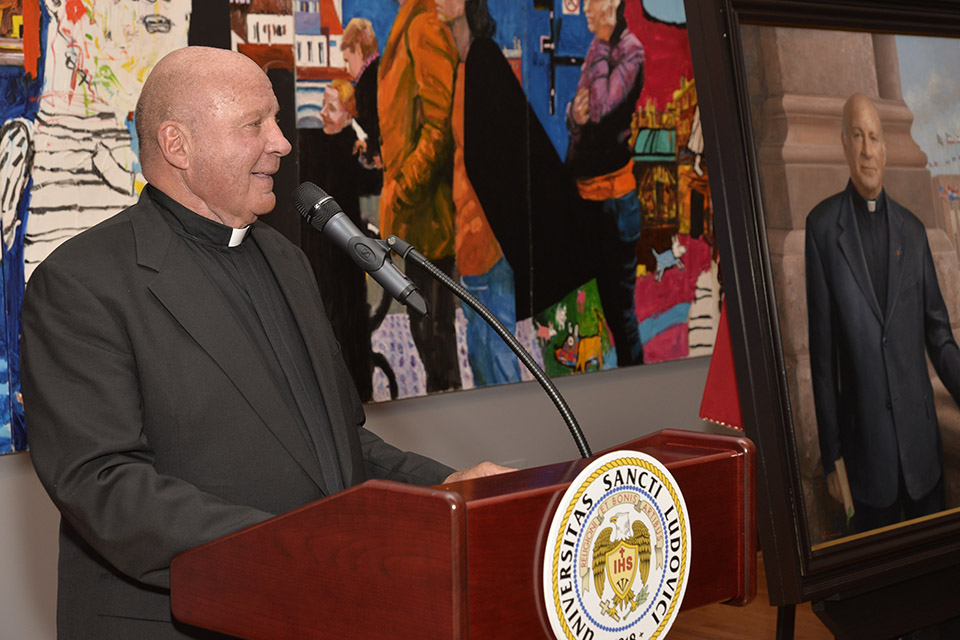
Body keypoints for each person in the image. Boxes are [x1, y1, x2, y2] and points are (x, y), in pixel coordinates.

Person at [21, 46, 508, 639]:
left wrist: (444, 488)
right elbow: (107, 487)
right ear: (178, 147)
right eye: (255, 124)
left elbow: (341, 444)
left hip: (316, 611)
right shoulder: (81, 284)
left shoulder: (285, 259)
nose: (281, 142)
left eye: (275, 121)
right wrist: (296, 550)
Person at [806, 93, 960, 533]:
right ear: (843, 144)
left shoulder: (913, 232)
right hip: (865, 462)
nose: (867, 150)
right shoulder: (820, 229)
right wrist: (833, 456)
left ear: (886, 150)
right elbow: (822, 360)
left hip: (923, 454)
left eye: (874, 137)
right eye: (857, 136)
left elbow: (940, 338)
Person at [435, 0, 521, 386]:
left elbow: (501, 156)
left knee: (498, 356)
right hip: (469, 230)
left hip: (490, 233)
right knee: (481, 352)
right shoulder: (461, 65)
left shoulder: (485, 63)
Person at [378, 0, 461, 393]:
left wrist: (405, 187)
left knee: (433, 333)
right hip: (417, 215)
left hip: (429, 211)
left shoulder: (424, 25)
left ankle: (454, 427)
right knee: (426, 330)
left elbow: (438, 125)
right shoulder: (411, 20)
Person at [565, 0, 645, 366]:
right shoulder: (598, 49)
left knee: (619, 314)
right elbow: (578, 110)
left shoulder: (630, 52)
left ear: (611, 3)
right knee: (586, 309)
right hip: (587, 201)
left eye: (591, 1)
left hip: (613, 203)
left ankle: (635, 384)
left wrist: (597, 51)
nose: (584, 8)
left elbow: (599, 106)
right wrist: (573, 114)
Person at [299, 79, 374, 400]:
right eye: (323, 106)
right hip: (316, 256)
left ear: (349, 113)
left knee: (348, 324)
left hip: (344, 258)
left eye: (332, 107)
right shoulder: (308, 144)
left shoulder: (357, 149)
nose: (323, 113)